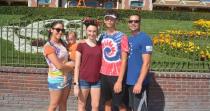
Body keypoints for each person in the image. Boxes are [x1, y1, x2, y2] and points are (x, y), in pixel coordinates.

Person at [99, 10, 129, 111]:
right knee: (107, 102)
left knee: (120, 103)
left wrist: (119, 81)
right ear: (104, 20)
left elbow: (124, 60)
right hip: (103, 74)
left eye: (112, 19)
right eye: (107, 18)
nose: (109, 21)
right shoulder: (102, 35)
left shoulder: (122, 36)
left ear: (116, 21)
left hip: (116, 75)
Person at [43, 21, 74, 111]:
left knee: (63, 103)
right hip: (56, 78)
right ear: (51, 30)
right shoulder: (48, 46)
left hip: (67, 77)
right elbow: (59, 66)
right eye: (58, 29)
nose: (60, 32)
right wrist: (73, 65)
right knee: (54, 104)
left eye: (62, 30)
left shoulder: (62, 43)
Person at [74, 18, 102, 111]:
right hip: (83, 80)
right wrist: (76, 84)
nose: (92, 33)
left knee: (96, 106)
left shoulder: (100, 45)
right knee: (82, 105)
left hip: (97, 80)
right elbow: (77, 66)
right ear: (86, 31)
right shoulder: (81, 45)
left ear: (97, 32)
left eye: (94, 31)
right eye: (89, 31)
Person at [126, 14, 153, 111]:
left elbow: (146, 63)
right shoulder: (129, 39)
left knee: (140, 108)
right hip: (128, 82)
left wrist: (139, 82)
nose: (133, 23)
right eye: (131, 21)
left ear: (140, 23)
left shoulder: (145, 38)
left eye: (136, 21)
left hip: (138, 83)